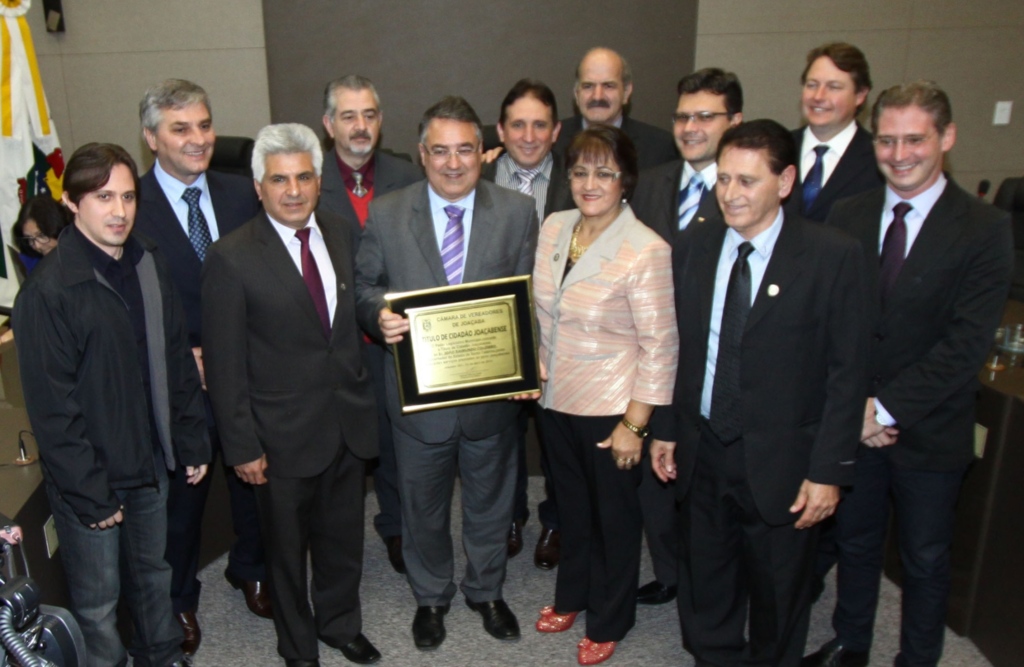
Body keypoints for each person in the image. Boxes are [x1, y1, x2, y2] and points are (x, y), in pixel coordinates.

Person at [804, 81, 1014, 667]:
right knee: (856, 542)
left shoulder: (985, 227)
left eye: (915, 140)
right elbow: (836, 323)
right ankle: (851, 642)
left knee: (924, 557)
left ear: (946, 137)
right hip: (856, 422)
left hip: (929, 429)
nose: (899, 155)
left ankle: (917, 658)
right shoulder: (850, 213)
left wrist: (882, 409)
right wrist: (858, 411)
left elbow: (965, 345)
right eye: (888, 140)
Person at [649, 120, 867, 667]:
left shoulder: (831, 255)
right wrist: (668, 430)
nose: (730, 194)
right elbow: (683, 347)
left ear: (786, 180)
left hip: (787, 464)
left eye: (747, 181)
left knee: (778, 597)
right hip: (704, 451)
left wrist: (829, 471)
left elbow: (848, 373)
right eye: (723, 180)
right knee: (706, 588)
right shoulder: (695, 246)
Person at [13, 142, 209, 667]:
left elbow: (175, 357)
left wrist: (190, 438)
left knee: (154, 578)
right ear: (73, 204)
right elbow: (53, 411)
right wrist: (91, 494)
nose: (119, 210)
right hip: (91, 478)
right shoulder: (48, 292)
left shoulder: (148, 259)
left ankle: (162, 657)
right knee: (98, 605)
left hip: (151, 464)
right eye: (103, 197)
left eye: (127, 196)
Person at [355, 96, 537, 650]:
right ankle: (431, 597)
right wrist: (378, 314)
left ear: (483, 153)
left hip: (491, 400)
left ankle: (486, 590)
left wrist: (527, 361)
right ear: (421, 153)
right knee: (422, 506)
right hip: (418, 402)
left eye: (465, 149)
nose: (453, 163)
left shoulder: (516, 211)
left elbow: (528, 300)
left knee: (490, 502)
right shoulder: (387, 213)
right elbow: (363, 288)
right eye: (440, 151)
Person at [202, 123, 381, 667]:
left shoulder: (338, 230)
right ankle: (298, 649)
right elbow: (226, 366)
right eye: (280, 180)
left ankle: (339, 625)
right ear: (259, 187)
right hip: (277, 441)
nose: (294, 191)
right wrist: (241, 447)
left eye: (304, 177)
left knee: (342, 542)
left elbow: (346, 324)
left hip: (345, 424)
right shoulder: (231, 257)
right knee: (285, 556)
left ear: (319, 180)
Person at [531, 125, 678, 665]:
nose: (589, 182)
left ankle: (611, 617)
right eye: (579, 171)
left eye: (603, 172)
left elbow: (661, 346)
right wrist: (535, 359)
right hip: (554, 401)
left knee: (615, 520)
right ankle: (572, 594)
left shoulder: (645, 249)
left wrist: (635, 426)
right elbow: (541, 306)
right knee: (571, 509)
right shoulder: (554, 226)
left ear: (626, 181)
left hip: (612, 410)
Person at [133, 78, 269, 657]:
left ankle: (251, 567)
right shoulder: (129, 205)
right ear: (150, 138)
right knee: (181, 505)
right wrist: (176, 353)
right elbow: (121, 305)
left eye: (206, 125)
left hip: (247, 373)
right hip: (177, 385)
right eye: (181, 128)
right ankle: (179, 599)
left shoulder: (244, 194)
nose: (199, 139)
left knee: (256, 483)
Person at [629, 68, 743, 607]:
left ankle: (709, 582)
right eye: (682, 116)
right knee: (654, 478)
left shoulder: (744, 191)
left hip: (712, 363)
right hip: (648, 358)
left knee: (705, 483)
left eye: (705, 116)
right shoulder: (651, 182)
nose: (691, 126)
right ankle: (671, 570)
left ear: (734, 122)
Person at [318, 74, 423, 575]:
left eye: (369, 115)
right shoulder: (307, 178)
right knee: (342, 450)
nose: (360, 127)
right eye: (348, 116)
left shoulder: (407, 174)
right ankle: (337, 545)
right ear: (327, 124)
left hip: (395, 339)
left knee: (397, 441)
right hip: (334, 342)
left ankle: (399, 527)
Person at [481, 77, 574, 570]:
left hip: (563, 332)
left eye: (540, 124)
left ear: (556, 130)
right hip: (499, 328)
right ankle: (509, 517)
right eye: (518, 124)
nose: (529, 135)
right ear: (501, 128)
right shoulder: (477, 176)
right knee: (502, 435)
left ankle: (556, 521)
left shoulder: (578, 179)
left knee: (556, 436)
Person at [788, 42, 883, 223]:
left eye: (834, 87)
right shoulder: (776, 148)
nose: (818, 96)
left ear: (860, 95)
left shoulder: (879, 159)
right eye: (812, 85)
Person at [553, 47, 678, 170]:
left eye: (608, 86)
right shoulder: (552, 142)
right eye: (588, 86)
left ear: (626, 92)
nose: (597, 96)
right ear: (576, 93)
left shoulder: (660, 148)